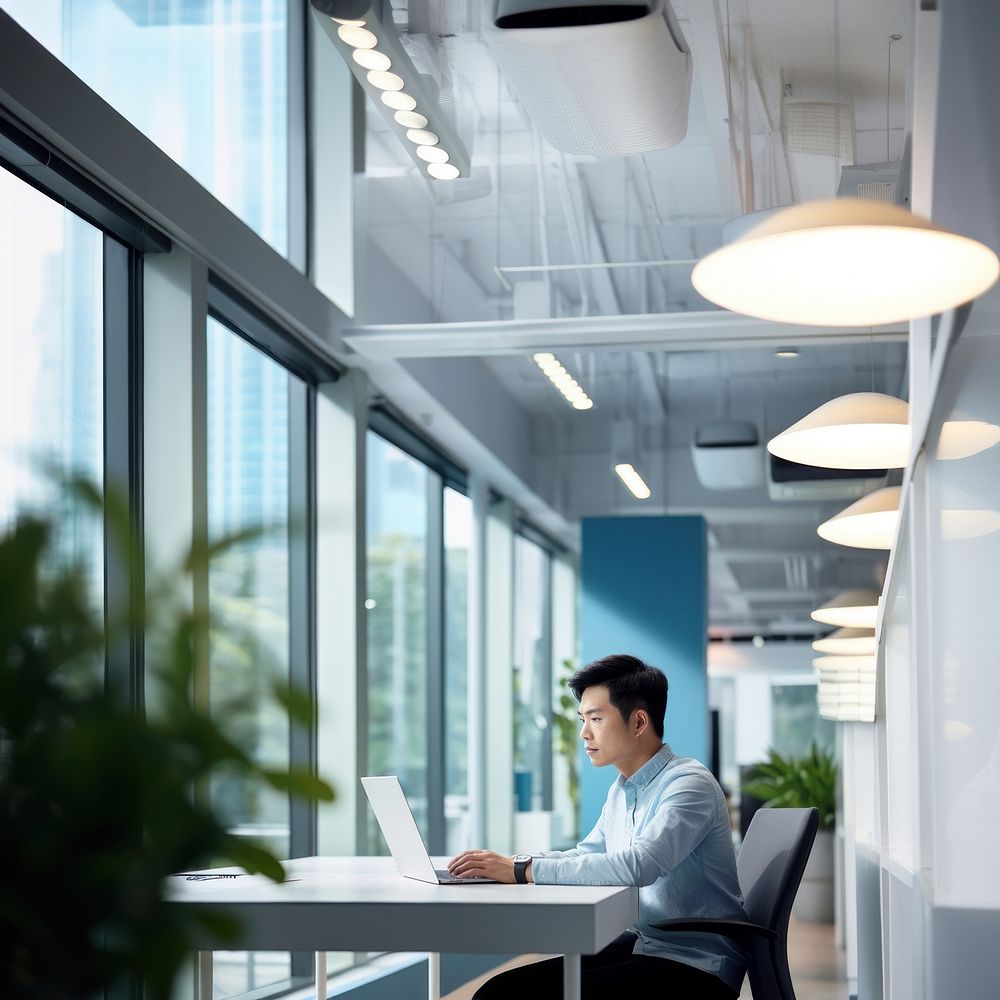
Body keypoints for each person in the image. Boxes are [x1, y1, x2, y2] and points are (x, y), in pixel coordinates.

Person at [447, 653, 747, 999]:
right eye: (582, 719)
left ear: (638, 723)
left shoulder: (688, 784)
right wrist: (509, 862)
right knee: (499, 990)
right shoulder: (622, 789)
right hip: (643, 944)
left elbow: (640, 865)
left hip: (695, 964)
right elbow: (586, 853)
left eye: (596, 719)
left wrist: (521, 870)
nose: (583, 732)